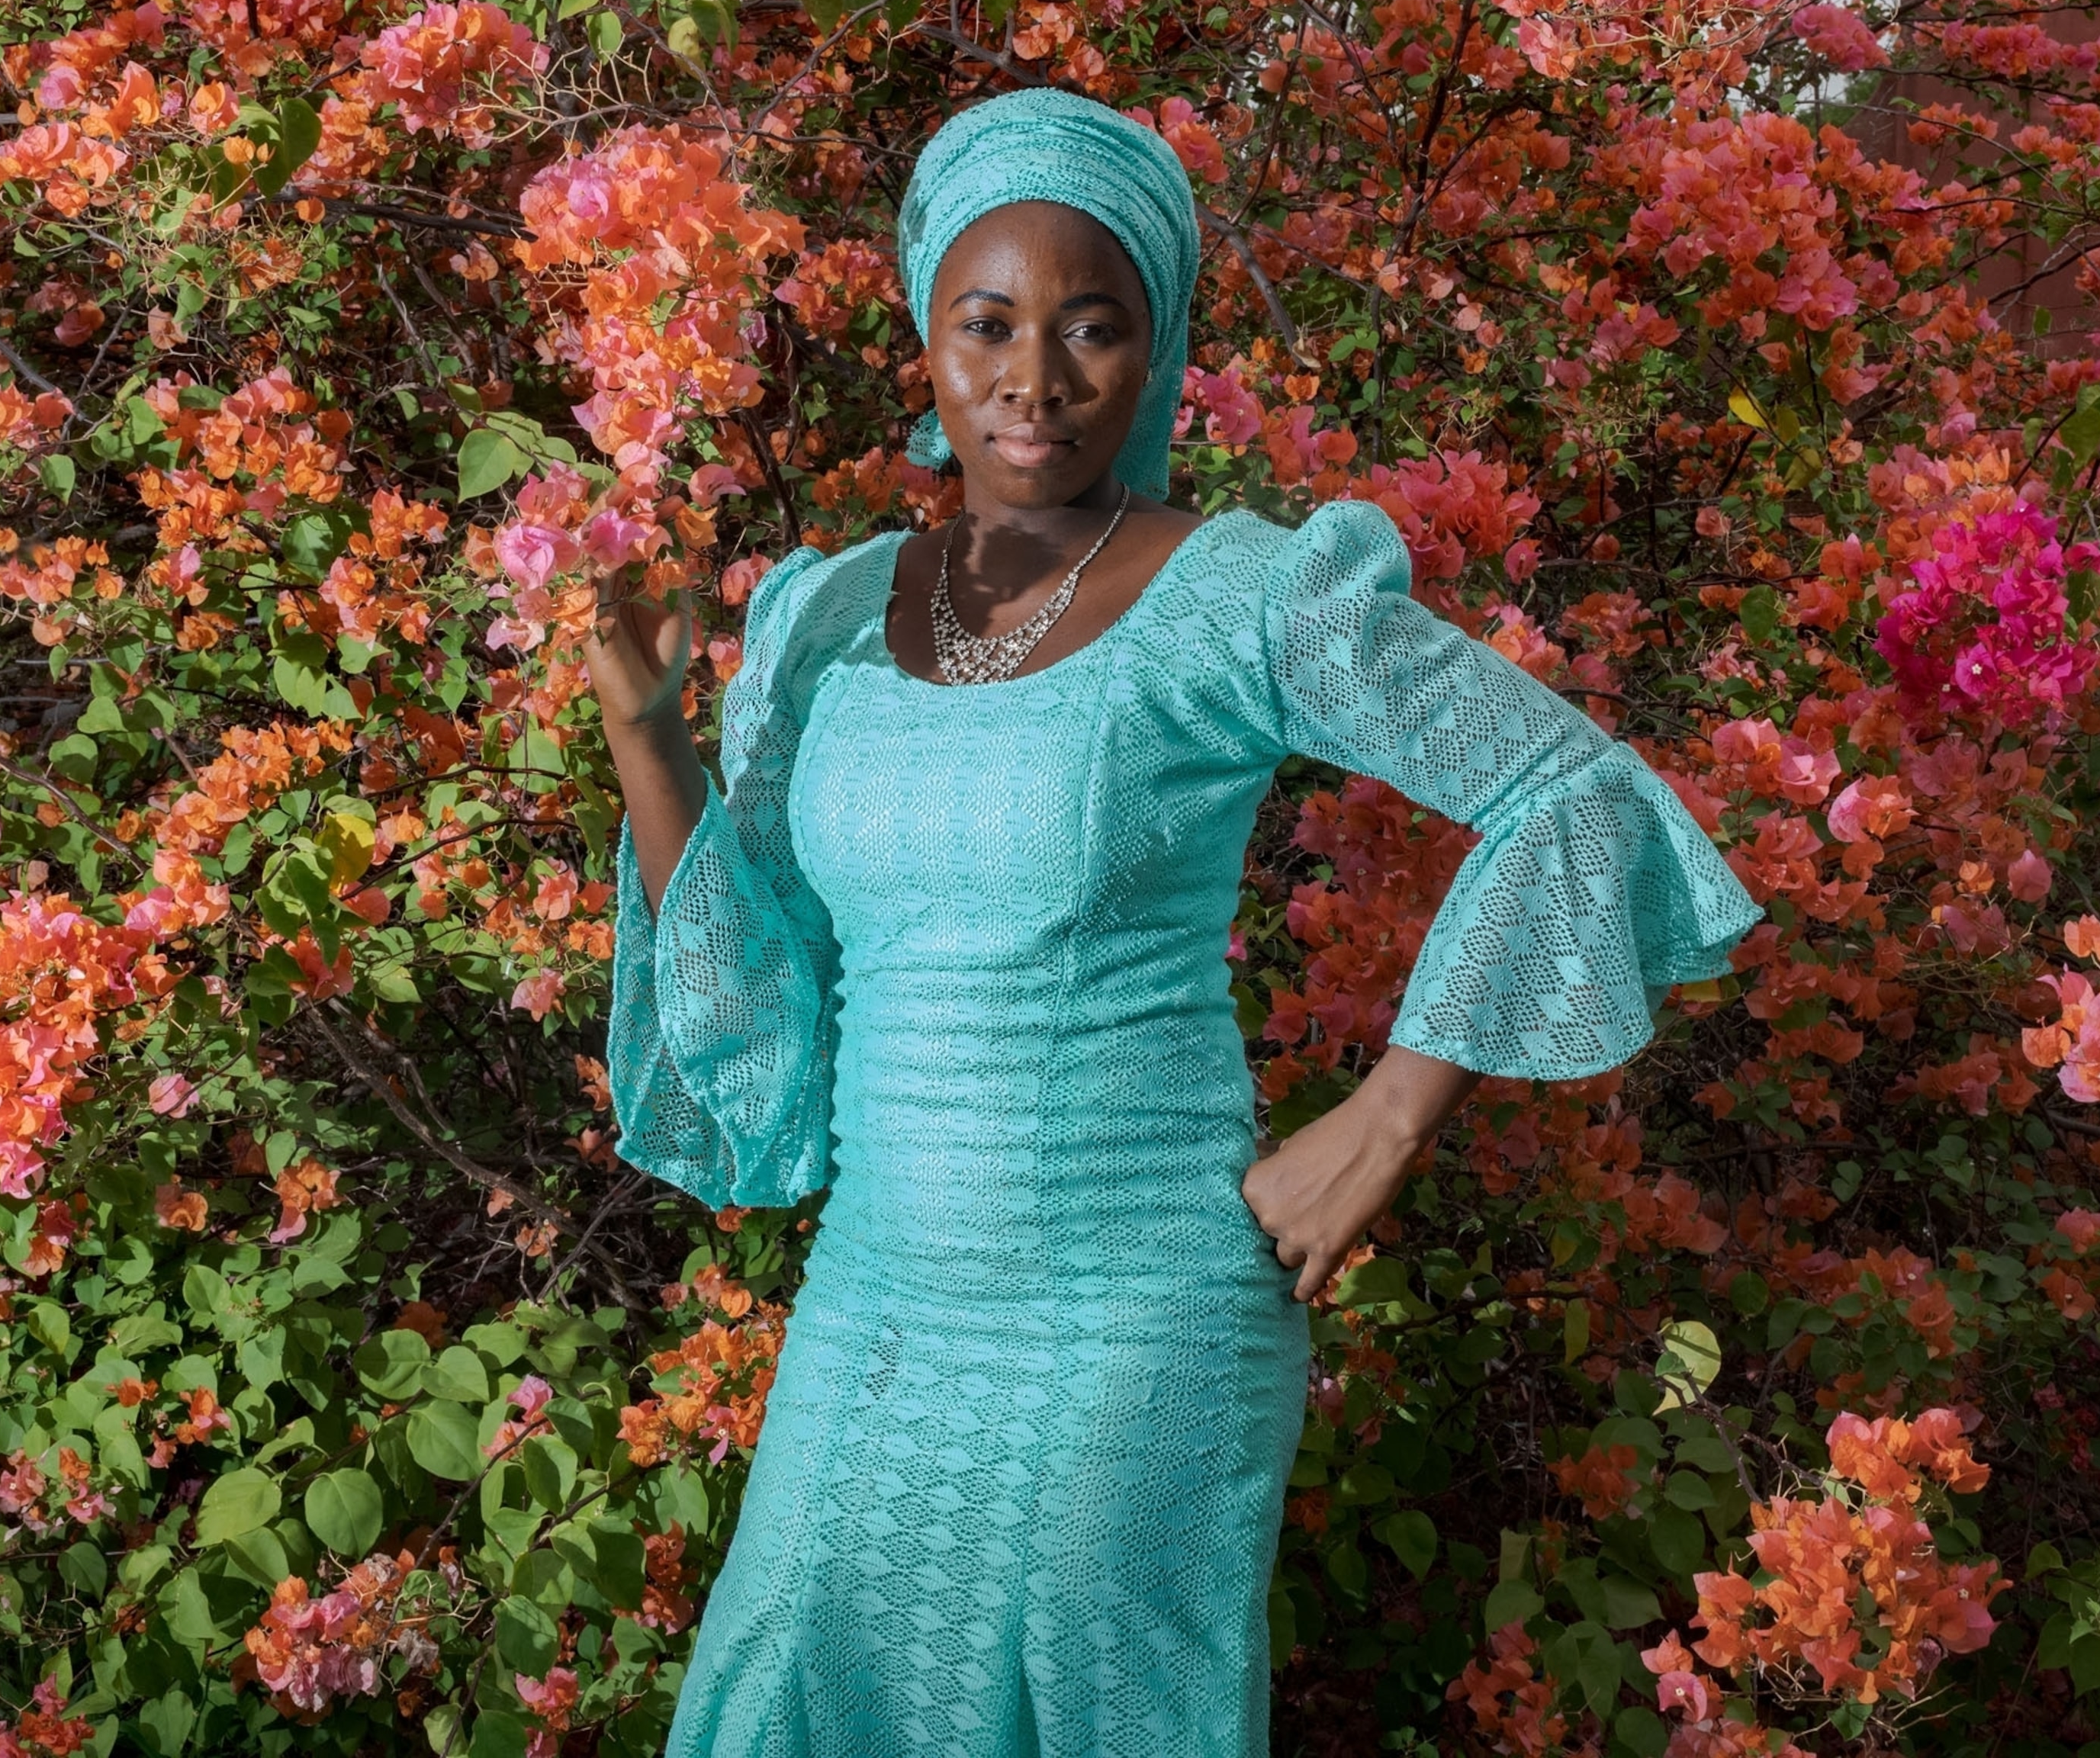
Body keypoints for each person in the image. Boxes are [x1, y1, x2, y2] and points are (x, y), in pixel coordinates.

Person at [587, 87, 1758, 1758]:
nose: (1034, 378)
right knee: (791, 1692)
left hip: (1134, 1313)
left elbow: (1573, 795)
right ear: (927, 337)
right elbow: (765, 991)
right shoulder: (826, 612)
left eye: (1094, 327)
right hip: (879, 1310)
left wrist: (1385, 1120)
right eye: (987, 323)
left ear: (1159, 352)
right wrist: (646, 730)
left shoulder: (1239, 594)